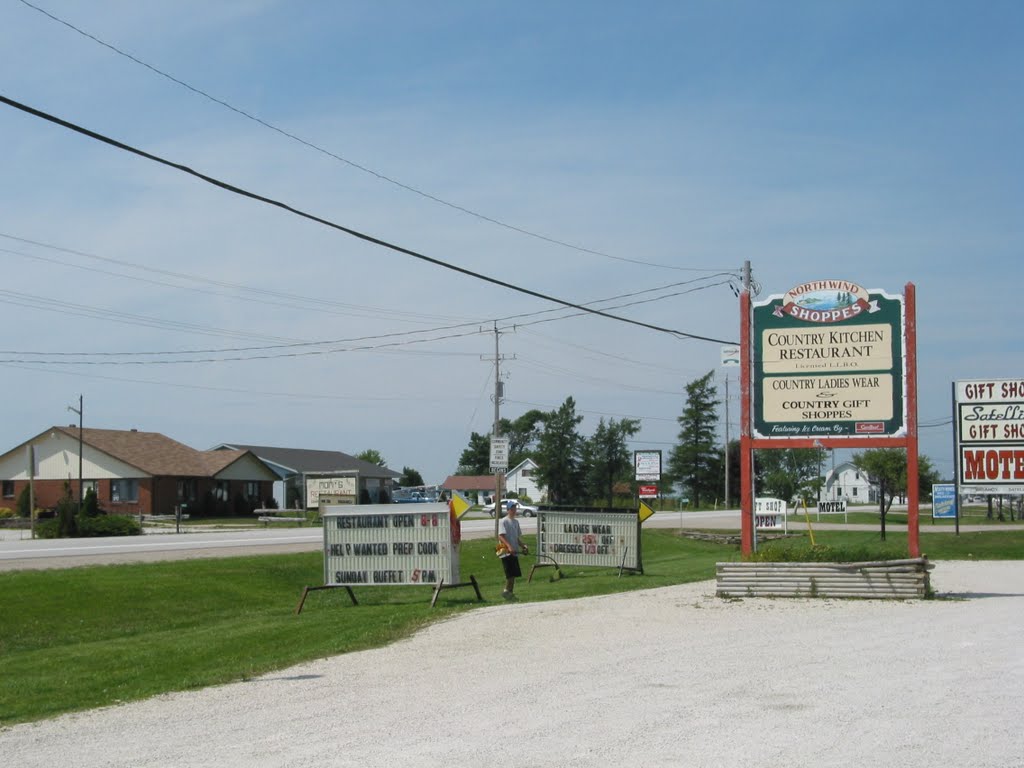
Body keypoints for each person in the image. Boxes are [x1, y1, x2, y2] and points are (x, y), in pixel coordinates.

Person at [497, 500, 528, 600]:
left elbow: (516, 537)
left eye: (515, 509)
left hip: (514, 551)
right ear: (508, 510)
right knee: (509, 573)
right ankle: (506, 591)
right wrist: (509, 547)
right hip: (505, 551)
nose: (514, 511)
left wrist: (523, 545)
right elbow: (501, 536)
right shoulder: (503, 521)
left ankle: (510, 593)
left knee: (514, 574)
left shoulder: (516, 522)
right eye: (512, 509)